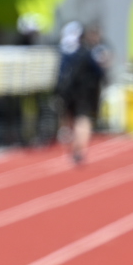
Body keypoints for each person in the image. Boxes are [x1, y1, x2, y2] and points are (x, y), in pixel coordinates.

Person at [56, 21, 104, 161]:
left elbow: (58, 74)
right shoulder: (86, 53)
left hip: (68, 90)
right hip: (84, 92)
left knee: (70, 118)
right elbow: (99, 72)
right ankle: (79, 149)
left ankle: (73, 145)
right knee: (82, 119)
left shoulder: (62, 52)